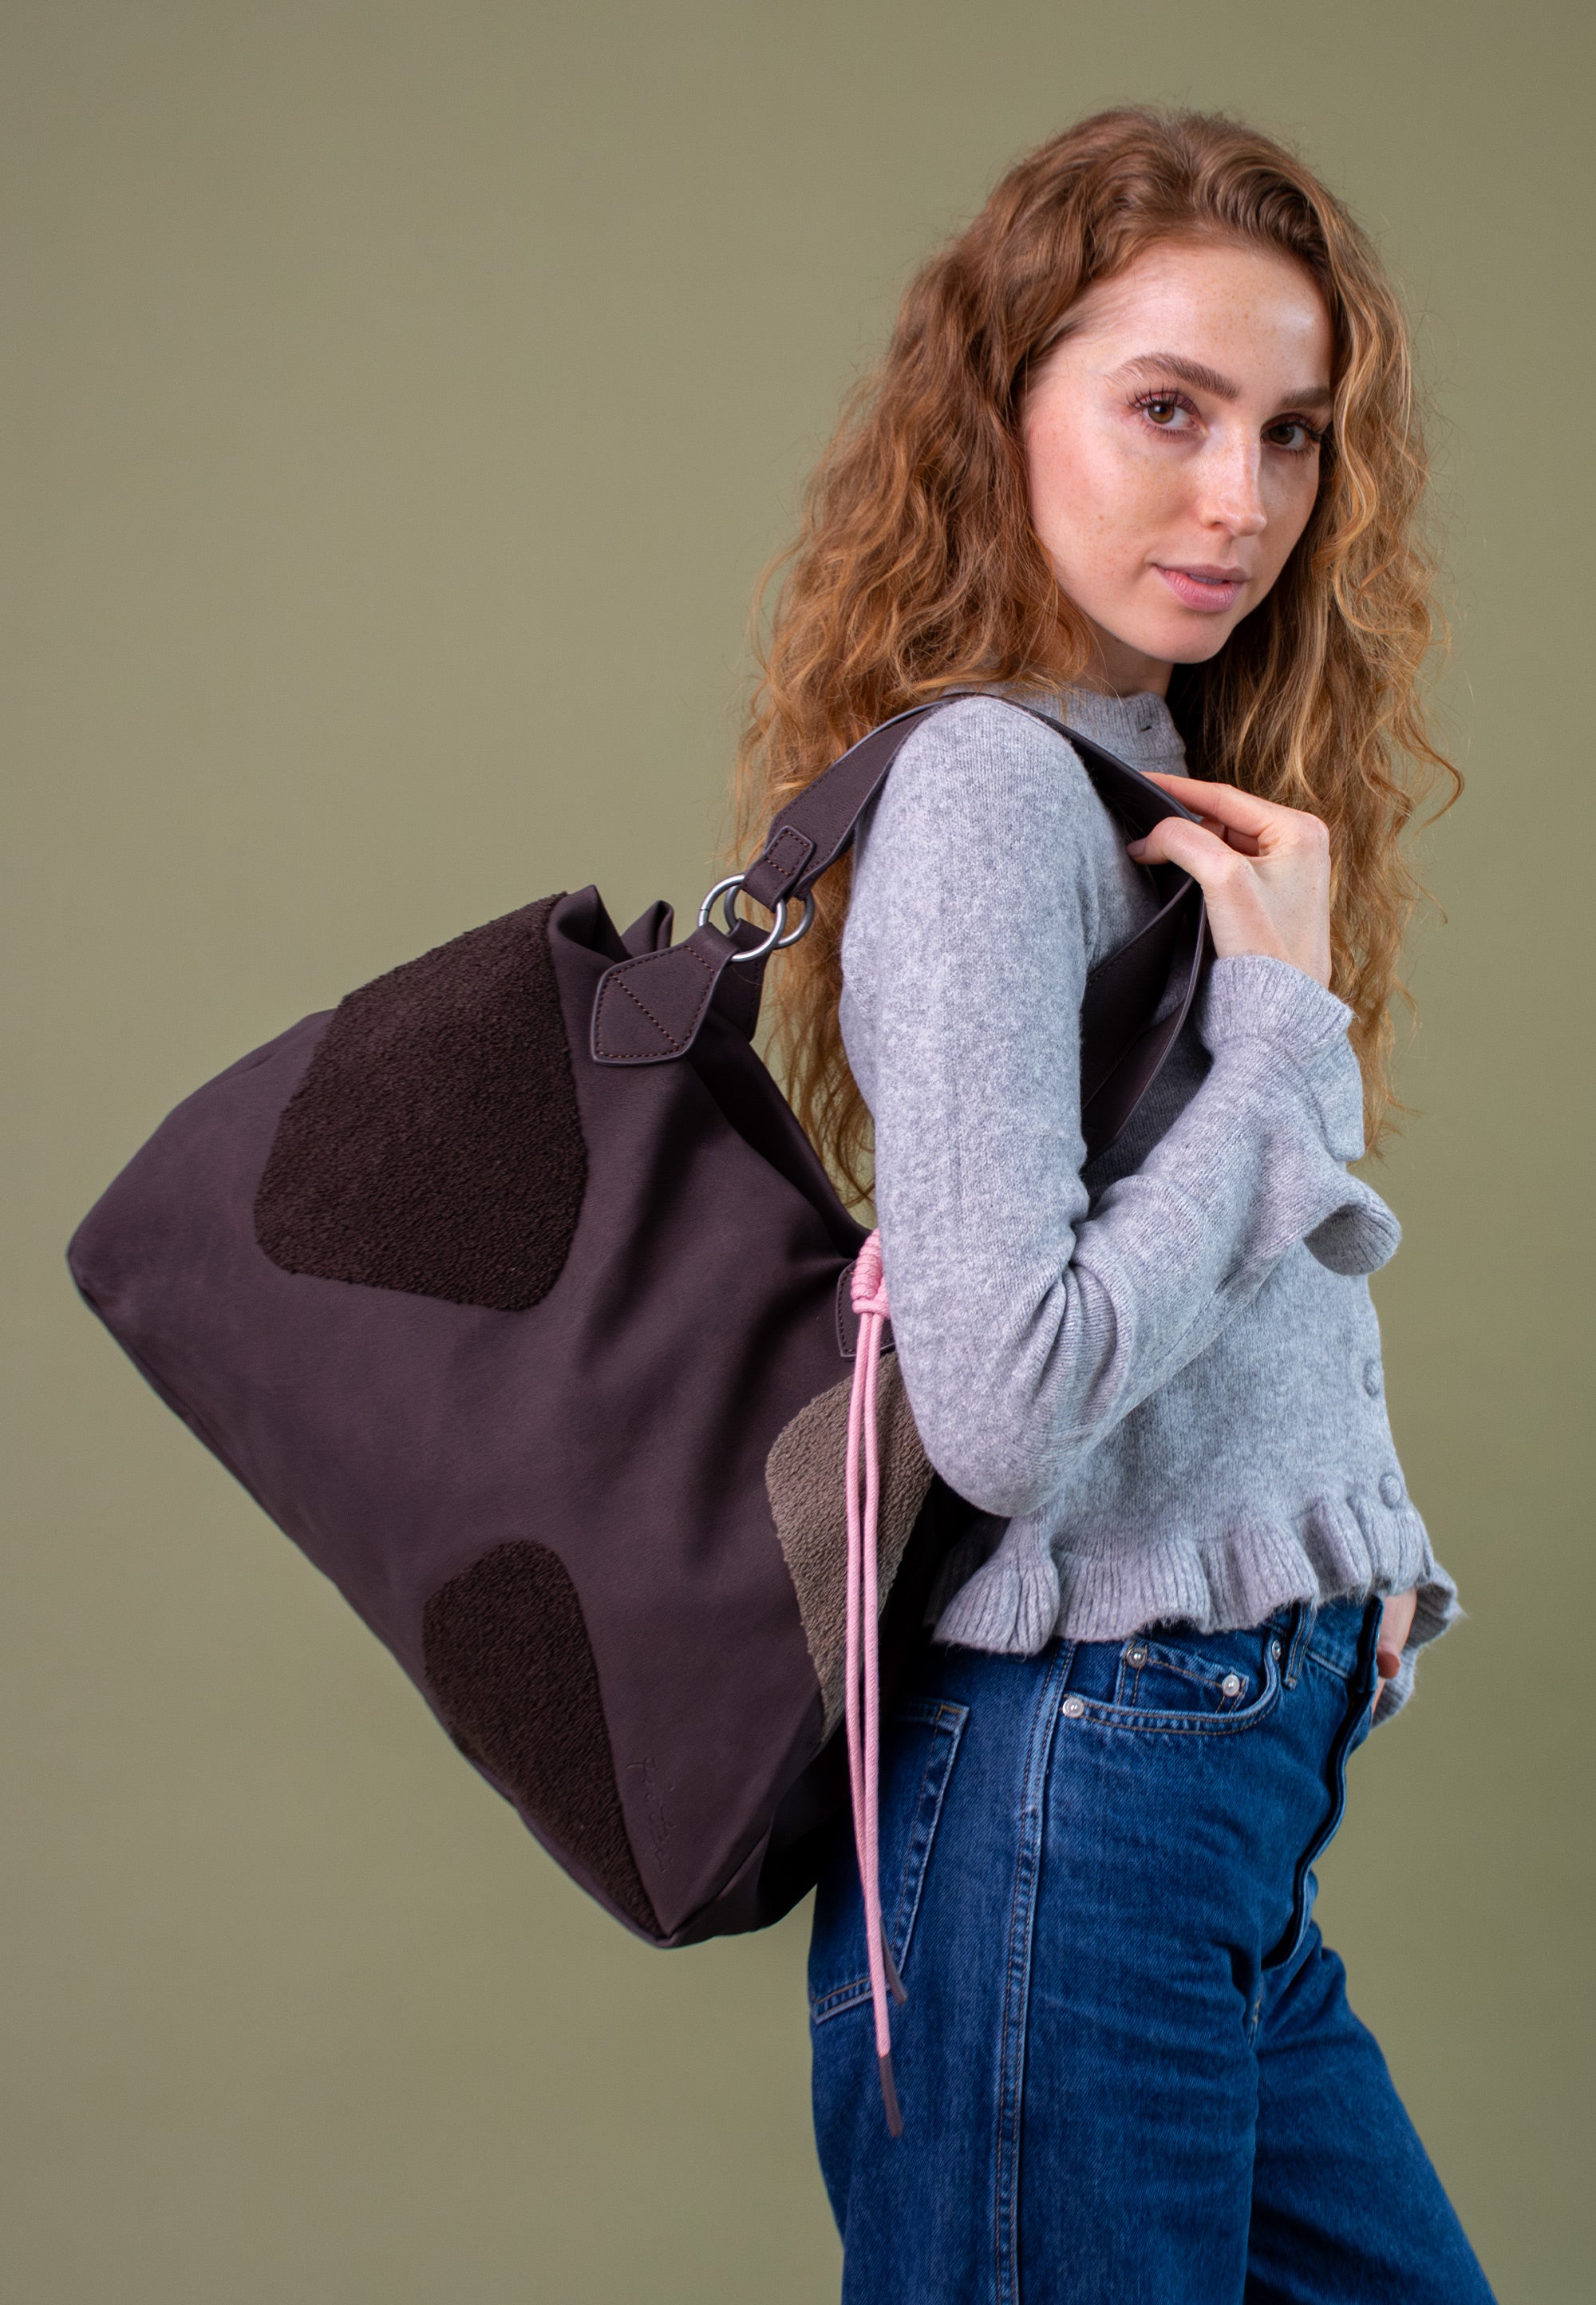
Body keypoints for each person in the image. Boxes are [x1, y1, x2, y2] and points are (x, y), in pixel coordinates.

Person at [732, 108, 1496, 2303]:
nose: (1240, 497)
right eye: (1169, 409)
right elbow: (1005, 1403)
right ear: (1003, 407)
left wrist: (1339, 1569)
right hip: (1083, 1793)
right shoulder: (993, 785)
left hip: (1195, 1812)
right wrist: (1282, 1044)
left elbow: (1204, 1304)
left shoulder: (1146, 774)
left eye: (1292, 431)